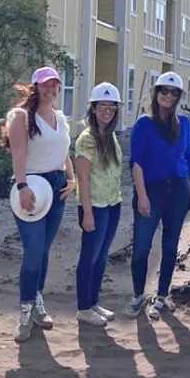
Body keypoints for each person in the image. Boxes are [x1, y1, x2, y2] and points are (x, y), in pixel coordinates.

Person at [2, 66, 76, 343]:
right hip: (31, 185)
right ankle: (25, 310)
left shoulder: (60, 118)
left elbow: (64, 152)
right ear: (35, 87)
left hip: (56, 188)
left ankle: (37, 301)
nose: (50, 89)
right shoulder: (21, 117)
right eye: (45, 85)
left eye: (54, 85)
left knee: (44, 249)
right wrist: (21, 186)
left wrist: (72, 179)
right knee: (33, 249)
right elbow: (18, 153)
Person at [125, 72, 190, 321]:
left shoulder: (185, 124)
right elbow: (137, 163)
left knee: (170, 245)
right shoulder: (143, 125)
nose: (168, 96)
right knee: (142, 246)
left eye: (173, 92)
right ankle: (137, 295)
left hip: (178, 190)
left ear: (179, 97)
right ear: (156, 93)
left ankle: (162, 297)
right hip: (151, 190)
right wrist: (142, 196)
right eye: (164, 91)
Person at [73, 82, 124, 327]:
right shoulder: (87, 139)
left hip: (112, 203)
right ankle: (83, 307)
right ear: (93, 108)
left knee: (102, 256)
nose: (107, 111)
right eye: (102, 106)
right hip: (94, 206)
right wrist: (88, 213)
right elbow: (82, 177)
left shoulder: (109, 135)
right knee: (89, 256)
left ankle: (93, 302)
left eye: (112, 107)